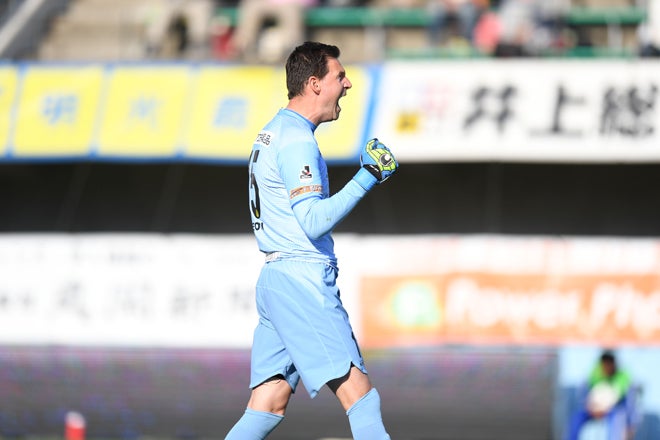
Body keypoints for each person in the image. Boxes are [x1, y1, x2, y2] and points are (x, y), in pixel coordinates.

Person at [225, 41, 398, 440]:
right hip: (301, 281)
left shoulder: (273, 131)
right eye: (340, 76)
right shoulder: (296, 139)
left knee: (268, 403)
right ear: (315, 83)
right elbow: (313, 221)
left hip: (276, 278)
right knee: (361, 398)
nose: (348, 84)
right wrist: (368, 175)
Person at [566, 350, 639, 440]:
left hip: (614, 409)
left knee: (617, 419)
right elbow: (584, 394)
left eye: (609, 364)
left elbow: (620, 397)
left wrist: (630, 425)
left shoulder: (623, 375)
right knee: (577, 417)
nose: (606, 367)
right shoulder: (595, 373)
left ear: (614, 364)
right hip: (593, 408)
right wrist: (591, 406)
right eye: (604, 364)